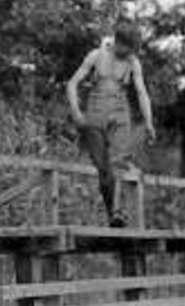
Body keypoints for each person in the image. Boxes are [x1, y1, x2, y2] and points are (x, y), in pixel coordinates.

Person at [65, 21, 157, 227]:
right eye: (128, 48)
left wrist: (149, 122)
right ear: (118, 42)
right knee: (103, 168)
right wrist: (76, 111)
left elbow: (142, 93)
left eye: (133, 49)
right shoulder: (96, 56)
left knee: (118, 163)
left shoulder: (133, 62)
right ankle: (112, 213)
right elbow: (72, 84)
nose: (130, 52)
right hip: (95, 114)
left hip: (120, 114)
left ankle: (119, 212)